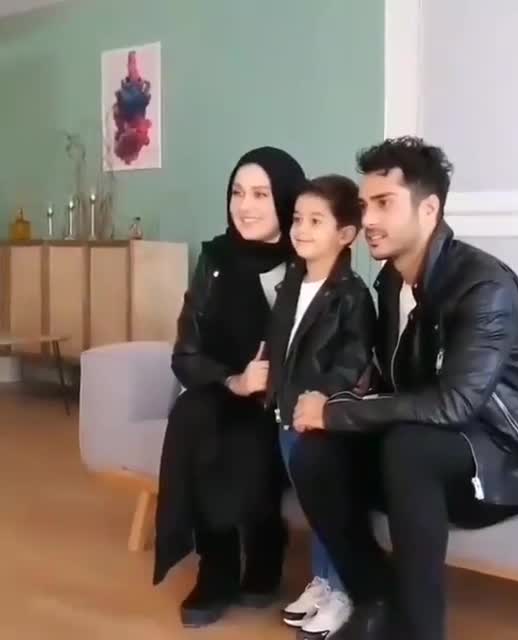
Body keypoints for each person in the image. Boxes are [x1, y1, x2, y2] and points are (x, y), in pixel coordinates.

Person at [288, 137, 518, 640]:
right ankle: (376, 599)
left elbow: (455, 403)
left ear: (429, 209)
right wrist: (331, 407)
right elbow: (392, 383)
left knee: (408, 447)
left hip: (509, 461)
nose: (369, 219)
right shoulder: (390, 283)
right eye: (364, 205)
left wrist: (334, 412)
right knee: (314, 453)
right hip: (425, 450)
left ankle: (420, 630)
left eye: (384, 203)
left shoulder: (483, 285)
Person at [153, 146, 306, 628]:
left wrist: (270, 381)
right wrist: (232, 380)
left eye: (260, 194)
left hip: (281, 399)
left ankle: (265, 547)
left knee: (251, 431)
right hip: (222, 388)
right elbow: (186, 353)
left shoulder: (307, 259)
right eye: (238, 193)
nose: (245, 206)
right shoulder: (215, 259)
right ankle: (215, 566)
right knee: (193, 415)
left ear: (285, 199)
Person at [265, 175, 376, 639]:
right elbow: (280, 345)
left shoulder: (353, 296)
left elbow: (352, 362)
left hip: (319, 423)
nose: (301, 229)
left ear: (346, 234)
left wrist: (321, 402)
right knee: (312, 508)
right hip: (284, 414)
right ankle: (322, 582)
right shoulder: (291, 284)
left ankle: (342, 591)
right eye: (297, 219)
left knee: (329, 506)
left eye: (315, 221)